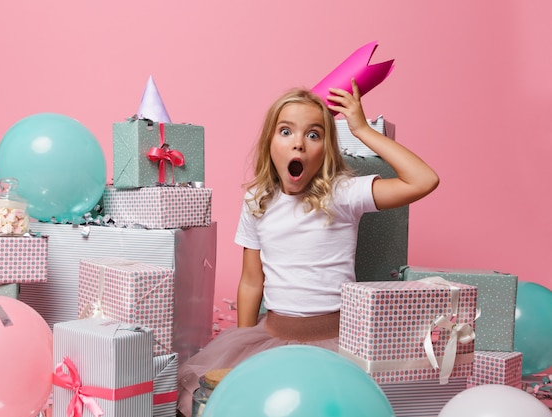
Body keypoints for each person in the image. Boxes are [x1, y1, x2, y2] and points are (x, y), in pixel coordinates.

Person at [176, 79, 439, 416]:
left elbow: (424, 180)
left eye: (313, 135)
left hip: (334, 342)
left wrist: (360, 129)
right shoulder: (257, 200)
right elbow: (251, 280)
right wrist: (241, 348)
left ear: (327, 148)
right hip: (270, 336)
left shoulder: (342, 194)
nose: (298, 144)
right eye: (286, 132)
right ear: (270, 142)